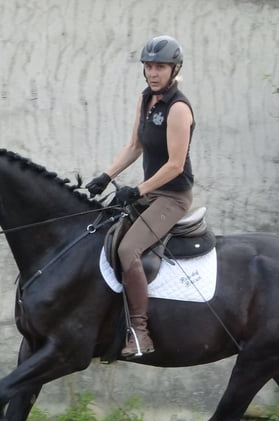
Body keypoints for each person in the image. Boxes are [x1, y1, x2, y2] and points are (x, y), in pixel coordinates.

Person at [85, 35, 195, 358]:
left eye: (159, 67)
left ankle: (140, 333)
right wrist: (106, 176)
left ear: (174, 69)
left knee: (129, 248)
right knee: (104, 231)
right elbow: (135, 146)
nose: (152, 73)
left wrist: (138, 190)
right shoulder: (146, 99)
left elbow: (175, 165)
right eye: (148, 66)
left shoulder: (178, 108)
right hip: (151, 193)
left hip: (172, 197)